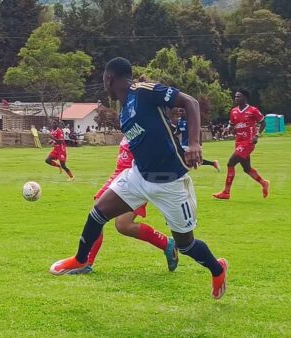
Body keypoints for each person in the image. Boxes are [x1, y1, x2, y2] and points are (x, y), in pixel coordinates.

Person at [49, 57, 228, 300]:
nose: (103, 82)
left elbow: (190, 102)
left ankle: (217, 270)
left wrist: (195, 143)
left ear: (109, 77)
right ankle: (80, 260)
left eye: (102, 77)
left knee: (186, 245)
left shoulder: (143, 91)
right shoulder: (123, 110)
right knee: (97, 213)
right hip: (138, 176)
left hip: (170, 181)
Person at [72, 136, 178, 274]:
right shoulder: (129, 122)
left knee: (123, 225)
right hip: (118, 175)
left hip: (135, 180)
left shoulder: (147, 128)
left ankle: (166, 243)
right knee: (96, 214)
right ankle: (85, 263)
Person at [213, 89, 269, 200]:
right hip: (238, 141)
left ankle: (226, 192)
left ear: (244, 97)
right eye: (235, 96)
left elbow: (263, 122)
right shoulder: (233, 111)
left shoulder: (253, 110)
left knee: (230, 163)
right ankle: (264, 183)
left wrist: (257, 135)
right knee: (247, 169)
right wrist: (229, 130)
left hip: (248, 142)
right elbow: (232, 126)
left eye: (238, 96)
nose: (236, 98)